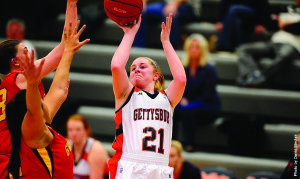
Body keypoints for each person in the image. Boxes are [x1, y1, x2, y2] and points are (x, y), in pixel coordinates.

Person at [0, 0, 79, 177]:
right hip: (15, 158)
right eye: (25, 50)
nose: (30, 53)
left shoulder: (7, 86)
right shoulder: (19, 78)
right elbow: (62, 50)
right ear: (15, 62)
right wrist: (71, 5)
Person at [108, 14, 186, 179]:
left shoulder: (167, 99)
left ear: (156, 76)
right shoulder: (126, 94)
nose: (136, 69)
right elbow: (116, 66)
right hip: (129, 164)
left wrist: (166, 42)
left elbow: (181, 79)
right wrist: (129, 34)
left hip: (160, 167)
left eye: (143, 67)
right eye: (133, 68)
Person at [236, 0, 300, 87]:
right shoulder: (288, 10)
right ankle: (252, 75)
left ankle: (263, 77)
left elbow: (295, 28)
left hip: (292, 45)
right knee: (243, 49)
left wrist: (284, 25)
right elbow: (272, 24)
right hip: (274, 41)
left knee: (284, 55)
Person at [173, 33, 221, 152]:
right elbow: (179, 88)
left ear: (203, 50)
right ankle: (171, 143)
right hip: (189, 103)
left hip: (208, 105)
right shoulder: (185, 68)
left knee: (187, 109)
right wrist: (182, 99)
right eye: (191, 47)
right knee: (173, 108)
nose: (193, 50)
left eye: (197, 47)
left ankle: (189, 144)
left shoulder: (209, 69)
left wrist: (188, 103)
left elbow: (208, 96)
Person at [133, 0, 200, 49]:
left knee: (170, 16)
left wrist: (175, 4)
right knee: (140, 13)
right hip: (165, 4)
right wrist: (142, 2)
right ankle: (140, 51)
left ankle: (170, 52)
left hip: (187, 6)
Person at [67, 114, 109, 179]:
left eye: (78, 130)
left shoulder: (95, 149)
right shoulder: (66, 147)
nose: (74, 134)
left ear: (86, 131)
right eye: (70, 130)